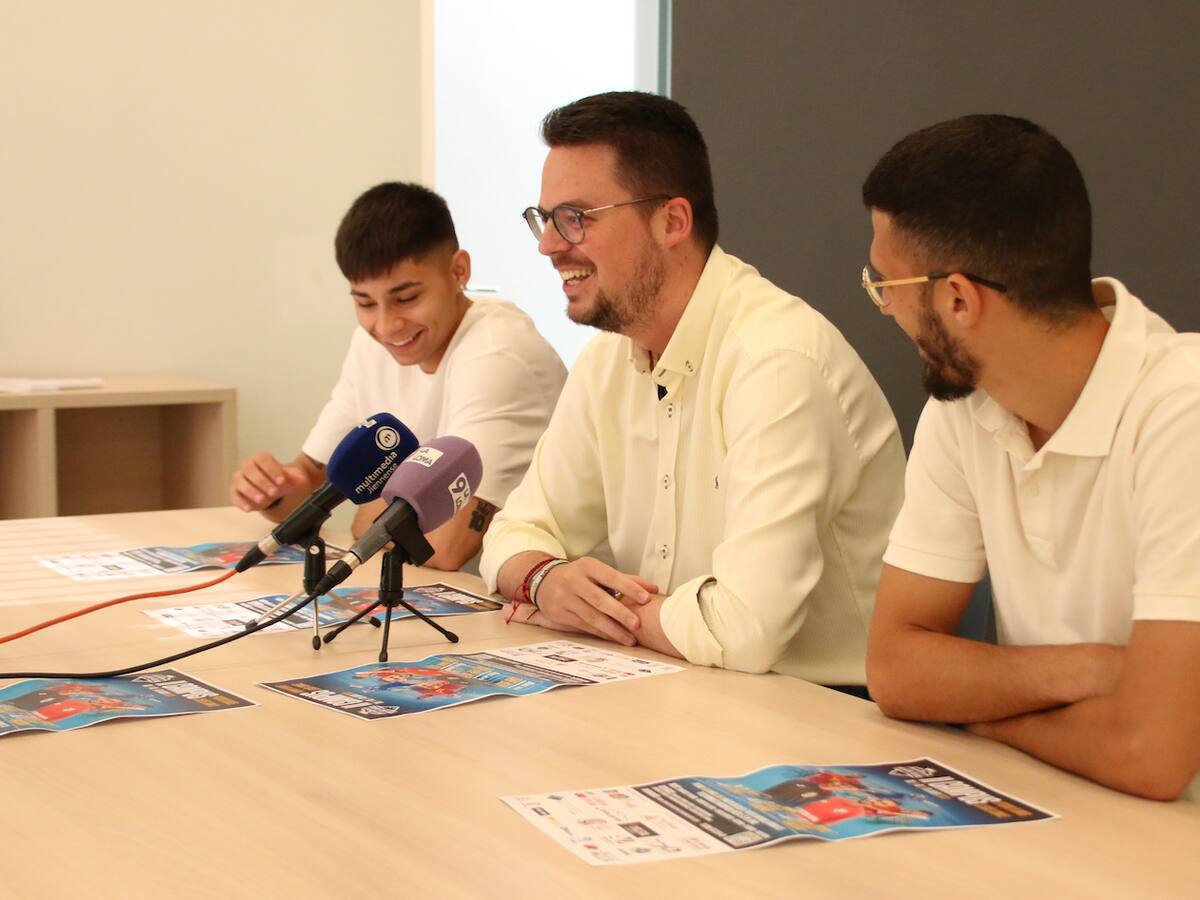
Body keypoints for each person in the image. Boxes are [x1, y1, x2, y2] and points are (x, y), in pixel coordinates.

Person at [479, 92, 905, 686]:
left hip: (823, 712)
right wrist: (543, 580)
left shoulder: (776, 361)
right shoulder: (606, 358)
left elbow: (745, 629)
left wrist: (599, 613)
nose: (548, 245)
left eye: (575, 218)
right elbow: (514, 531)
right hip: (679, 680)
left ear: (672, 221)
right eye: (543, 219)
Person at [861, 115, 1200, 801]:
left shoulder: (1183, 413)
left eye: (885, 286)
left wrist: (989, 722)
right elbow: (896, 669)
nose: (887, 311)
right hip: (1063, 806)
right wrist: (1087, 672)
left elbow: (1152, 755)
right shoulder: (965, 410)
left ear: (958, 298)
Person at [229, 183, 567, 570]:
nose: (386, 326)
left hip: (536, 604)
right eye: (365, 303)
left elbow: (444, 546)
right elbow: (310, 481)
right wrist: (271, 490)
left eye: (406, 299)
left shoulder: (499, 353)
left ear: (459, 270)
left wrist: (363, 515)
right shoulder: (370, 343)